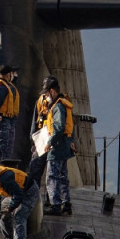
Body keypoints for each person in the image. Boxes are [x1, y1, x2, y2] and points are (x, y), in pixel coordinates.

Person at [42, 77, 75, 216]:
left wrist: (49, 142)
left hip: (57, 145)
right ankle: (66, 203)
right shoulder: (63, 104)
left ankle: (55, 204)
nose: (46, 97)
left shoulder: (57, 107)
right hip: (64, 145)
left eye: (47, 94)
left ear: (52, 91)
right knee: (62, 175)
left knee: (52, 175)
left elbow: (59, 127)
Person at [0, 64, 20, 161]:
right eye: (12, 73)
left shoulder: (9, 86)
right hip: (2, 121)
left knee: (8, 149)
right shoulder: (1, 87)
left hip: (9, 121)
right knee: (2, 148)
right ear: (8, 74)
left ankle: (4, 164)